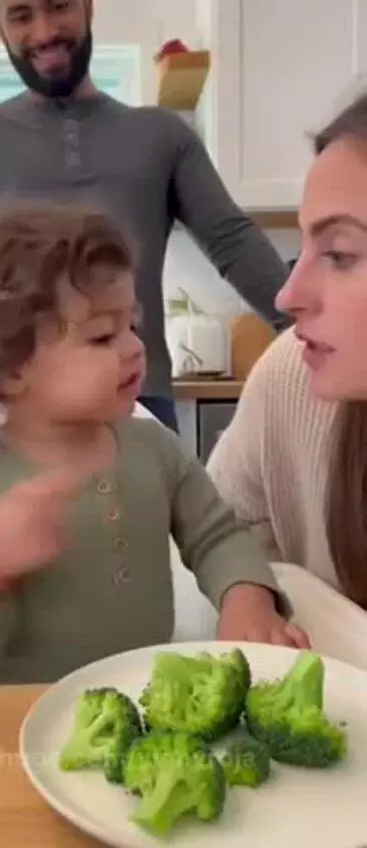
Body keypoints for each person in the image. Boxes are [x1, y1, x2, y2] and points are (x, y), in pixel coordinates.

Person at [0, 201, 307, 688]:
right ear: (8, 369)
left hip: (143, 696)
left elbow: (217, 535)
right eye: (102, 335)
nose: (133, 347)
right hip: (20, 716)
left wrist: (246, 598)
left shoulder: (156, 449)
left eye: (131, 324)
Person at [0, 0, 290, 432]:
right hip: (14, 416)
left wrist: (319, 335)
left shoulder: (163, 135)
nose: (43, 33)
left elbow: (233, 242)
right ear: (1, 29)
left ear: (88, 9)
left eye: (58, 6)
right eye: (21, 16)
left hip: (139, 404)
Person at [207, 91, 367, 612]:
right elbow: (216, 531)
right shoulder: (290, 376)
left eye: (340, 255)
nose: (287, 296)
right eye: (304, 251)